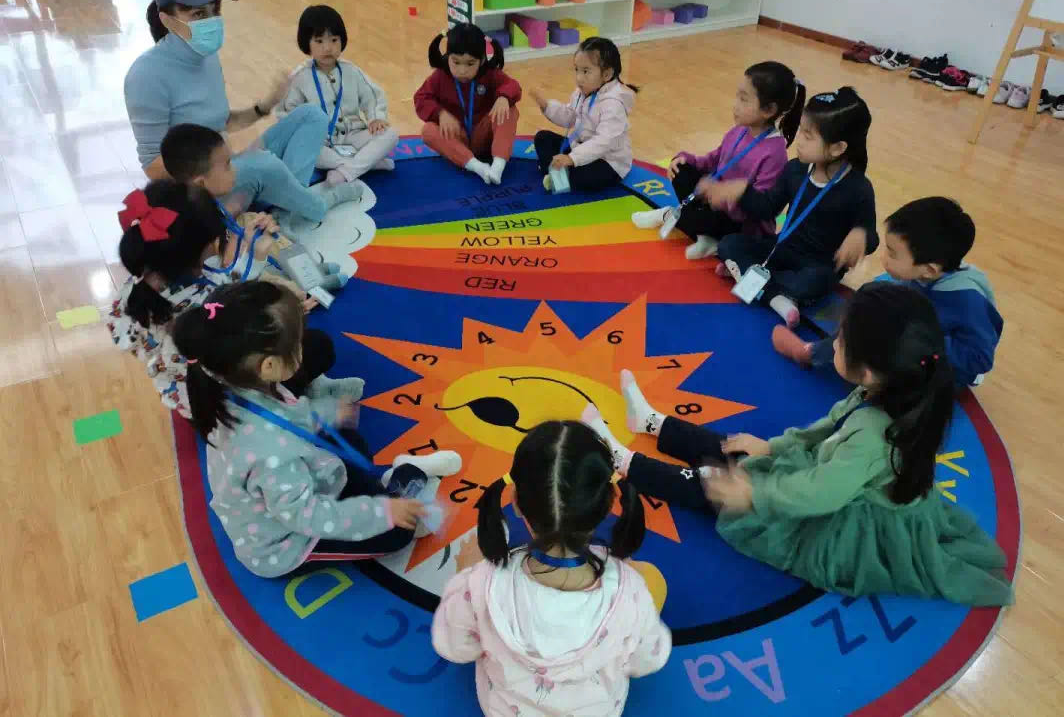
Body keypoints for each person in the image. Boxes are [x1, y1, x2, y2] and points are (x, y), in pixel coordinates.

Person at [584, 284, 1013, 607]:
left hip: (832, 515)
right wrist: (772, 448)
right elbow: (825, 429)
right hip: (824, 476)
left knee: (713, 486)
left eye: (841, 340)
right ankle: (652, 423)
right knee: (735, 447)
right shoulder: (880, 393)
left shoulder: (874, 437)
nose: (834, 342)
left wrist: (754, 493)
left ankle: (621, 458)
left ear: (867, 371)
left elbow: (818, 494)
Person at [172, 281, 463, 577]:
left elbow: (283, 414)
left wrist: (328, 413)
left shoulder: (230, 383)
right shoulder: (268, 454)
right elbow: (307, 517)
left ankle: (395, 487)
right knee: (398, 534)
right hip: (287, 542)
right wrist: (382, 514)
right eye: (297, 344)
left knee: (349, 442)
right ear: (269, 365)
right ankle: (405, 476)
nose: (303, 348)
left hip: (295, 478)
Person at [432, 421, 671, 716]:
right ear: (609, 503)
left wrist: (464, 575)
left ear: (515, 501)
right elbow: (648, 658)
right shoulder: (630, 590)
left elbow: (455, 648)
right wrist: (627, 582)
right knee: (652, 577)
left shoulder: (480, 584)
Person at [123, 0, 363, 224]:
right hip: (200, 191)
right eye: (198, 14)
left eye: (215, 10)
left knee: (312, 116)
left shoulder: (206, 56)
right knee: (265, 165)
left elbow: (221, 121)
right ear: (167, 20)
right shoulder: (146, 75)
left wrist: (265, 106)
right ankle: (315, 205)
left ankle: (285, 205)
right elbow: (153, 166)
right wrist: (220, 172)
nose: (211, 20)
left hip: (227, 168)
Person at [109, 181, 325, 418]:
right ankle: (295, 399)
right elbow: (240, 323)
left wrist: (255, 255)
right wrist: (288, 314)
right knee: (317, 346)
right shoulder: (208, 306)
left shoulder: (138, 284)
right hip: (225, 400)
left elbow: (223, 286)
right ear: (201, 249)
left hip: (179, 389)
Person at [774, 197, 1002, 388]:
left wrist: (913, 340)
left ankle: (812, 354)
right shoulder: (927, 273)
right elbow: (896, 289)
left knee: (876, 337)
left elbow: (978, 359)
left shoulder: (968, 302)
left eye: (892, 254)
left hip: (937, 366)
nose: (883, 258)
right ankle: (833, 351)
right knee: (870, 297)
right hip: (917, 329)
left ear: (929, 269)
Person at [703, 87, 879, 328]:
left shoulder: (858, 188)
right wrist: (742, 191)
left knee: (813, 282)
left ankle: (750, 277)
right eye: (801, 131)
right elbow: (767, 208)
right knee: (729, 244)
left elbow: (871, 238)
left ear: (837, 148)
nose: (799, 141)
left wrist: (860, 234)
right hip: (781, 249)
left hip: (818, 265)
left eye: (808, 136)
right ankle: (775, 295)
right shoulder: (796, 169)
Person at [631, 61, 804, 260]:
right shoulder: (739, 130)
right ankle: (705, 235)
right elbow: (715, 159)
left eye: (744, 99)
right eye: (737, 96)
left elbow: (759, 208)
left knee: (705, 218)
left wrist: (721, 196)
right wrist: (685, 159)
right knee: (682, 170)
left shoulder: (775, 152)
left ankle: (670, 215)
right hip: (715, 203)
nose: (735, 104)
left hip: (740, 222)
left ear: (769, 110)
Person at [160, 123, 349, 292]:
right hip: (225, 284)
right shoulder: (194, 227)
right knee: (253, 241)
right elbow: (222, 277)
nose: (234, 169)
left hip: (230, 261)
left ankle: (304, 269)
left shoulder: (201, 200)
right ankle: (302, 285)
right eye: (227, 165)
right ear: (201, 183)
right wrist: (240, 246)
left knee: (252, 221)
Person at [280, 4, 399, 185]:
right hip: (321, 143)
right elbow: (286, 113)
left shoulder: (351, 71)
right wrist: (303, 134)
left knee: (391, 134)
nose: (328, 48)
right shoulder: (299, 78)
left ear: (342, 40)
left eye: (334, 40)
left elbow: (372, 96)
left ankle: (346, 170)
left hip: (354, 136)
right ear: (306, 44)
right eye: (319, 41)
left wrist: (376, 118)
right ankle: (365, 164)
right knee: (302, 148)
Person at [528, 37, 638, 194]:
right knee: (542, 137)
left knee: (587, 176)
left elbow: (602, 142)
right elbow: (569, 117)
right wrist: (547, 106)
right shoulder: (582, 92)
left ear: (607, 74)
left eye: (586, 71)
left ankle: (559, 173)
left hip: (608, 160)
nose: (579, 78)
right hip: (580, 148)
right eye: (577, 70)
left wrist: (572, 159)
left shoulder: (613, 105)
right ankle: (559, 173)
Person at [414, 23, 521, 185]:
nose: (462, 70)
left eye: (470, 64)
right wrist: (440, 113)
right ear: (448, 56)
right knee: (428, 131)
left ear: (482, 60)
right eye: (455, 62)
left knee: (509, 110)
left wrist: (504, 98)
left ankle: (498, 166)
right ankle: (478, 167)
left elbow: (513, 86)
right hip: (457, 139)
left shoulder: (490, 74)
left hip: (485, 138)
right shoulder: (440, 76)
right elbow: (421, 98)